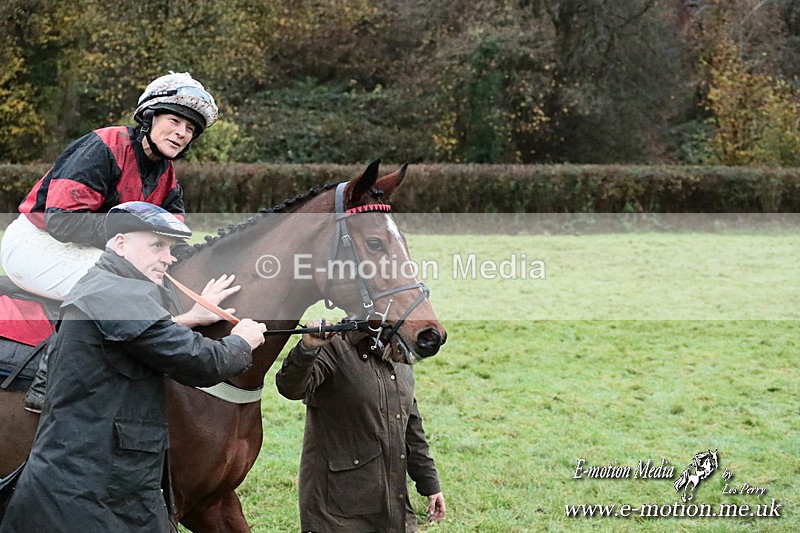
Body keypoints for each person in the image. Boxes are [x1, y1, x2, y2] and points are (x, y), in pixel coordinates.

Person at [0, 202, 267, 533]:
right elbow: (199, 362)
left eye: (170, 248)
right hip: (85, 493)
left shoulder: (112, 287)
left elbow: (136, 338)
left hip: (105, 483)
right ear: (121, 244)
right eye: (157, 246)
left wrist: (189, 318)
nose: (168, 257)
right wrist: (241, 341)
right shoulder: (116, 293)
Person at [0, 71, 217, 301]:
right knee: (128, 291)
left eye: (190, 128)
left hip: (98, 252)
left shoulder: (169, 181)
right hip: (38, 242)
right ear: (149, 117)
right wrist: (129, 231)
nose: (181, 133)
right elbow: (63, 222)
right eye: (174, 121)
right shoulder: (104, 147)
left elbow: (173, 242)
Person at [275, 323, 446, 533]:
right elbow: (290, 387)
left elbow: (411, 429)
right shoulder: (333, 347)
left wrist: (430, 485)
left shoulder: (399, 353)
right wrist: (307, 349)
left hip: (393, 511)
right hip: (336, 515)